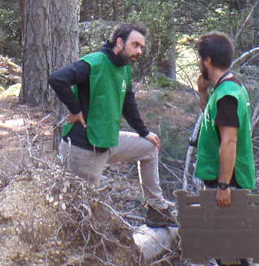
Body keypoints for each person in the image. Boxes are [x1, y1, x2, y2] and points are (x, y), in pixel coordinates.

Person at [48, 22, 177, 227]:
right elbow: (57, 79)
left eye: (141, 47)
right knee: (81, 215)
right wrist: (75, 110)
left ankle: (156, 210)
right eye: (135, 45)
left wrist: (144, 132)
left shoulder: (124, 69)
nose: (139, 51)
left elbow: (128, 103)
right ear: (119, 42)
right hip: (83, 148)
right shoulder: (95, 62)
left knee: (150, 147)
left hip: (108, 140)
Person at [195, 31, 259, 266]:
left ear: (208, 60)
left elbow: (229, 142)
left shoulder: (228, 97)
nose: (200, 64)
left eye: (201, 59)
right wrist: (203, 94)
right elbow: (213, 120)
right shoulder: (227, 89)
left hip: (229, 181)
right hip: (226, 179)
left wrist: (223, 185)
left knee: (235, 255)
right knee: (228, 248)